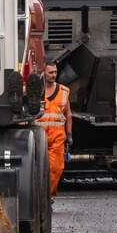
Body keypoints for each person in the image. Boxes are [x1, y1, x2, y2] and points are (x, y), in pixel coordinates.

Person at [36, 62, 72, 201]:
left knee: (56, 168)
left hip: (57, 136)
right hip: (39, 136)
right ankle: (40, 196)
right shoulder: (35, 91)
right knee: (38, 169)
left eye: (55, 72)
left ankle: (48, 196)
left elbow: (68, 114)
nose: (54, 75)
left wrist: (69, 134)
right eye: (50, 72)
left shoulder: (64, 91)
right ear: (44, 73)